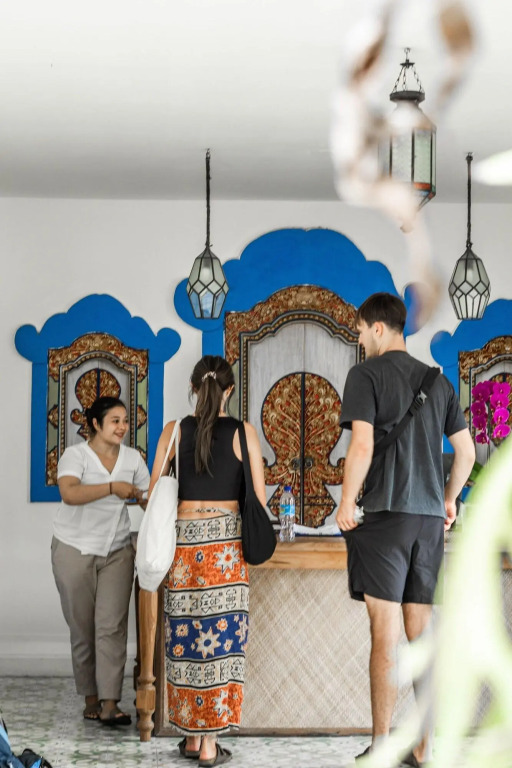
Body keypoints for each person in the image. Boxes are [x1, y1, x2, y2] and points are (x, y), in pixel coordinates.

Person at [336, 293, 475, 767]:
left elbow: (361, 446)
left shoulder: (366, 374)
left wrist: (346, 501)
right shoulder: (438, 381)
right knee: (421, 637)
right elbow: (466, 452)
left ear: (378, 328)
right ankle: (424, 748)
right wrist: (449, 500)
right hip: (429, 523)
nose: (360, 340)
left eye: (360, 331)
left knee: (386, 634)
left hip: (387, 519)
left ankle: (381, 747)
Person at [149, 355, 266, 767]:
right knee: (220, 641)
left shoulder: (174, 431)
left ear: (193, 387)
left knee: (184, 641)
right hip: (226, 551)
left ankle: (192, 738)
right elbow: (259, 501)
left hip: (183, 551)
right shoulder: (243, 432)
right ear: (229, 390)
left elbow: (154, 496)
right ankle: (210, 745)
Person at [52, 396, 149, 725]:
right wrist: (111, 488)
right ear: (95, 424)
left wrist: (154, 500)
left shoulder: (133, 459)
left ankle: (110, 703)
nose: (123, 427)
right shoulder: (75, 455)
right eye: (115, 421)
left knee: (111, 626)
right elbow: (69, 493)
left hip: (117, 549)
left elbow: (145, 497)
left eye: (125, 421)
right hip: (72, 548)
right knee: (83, 628)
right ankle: (91, 698)